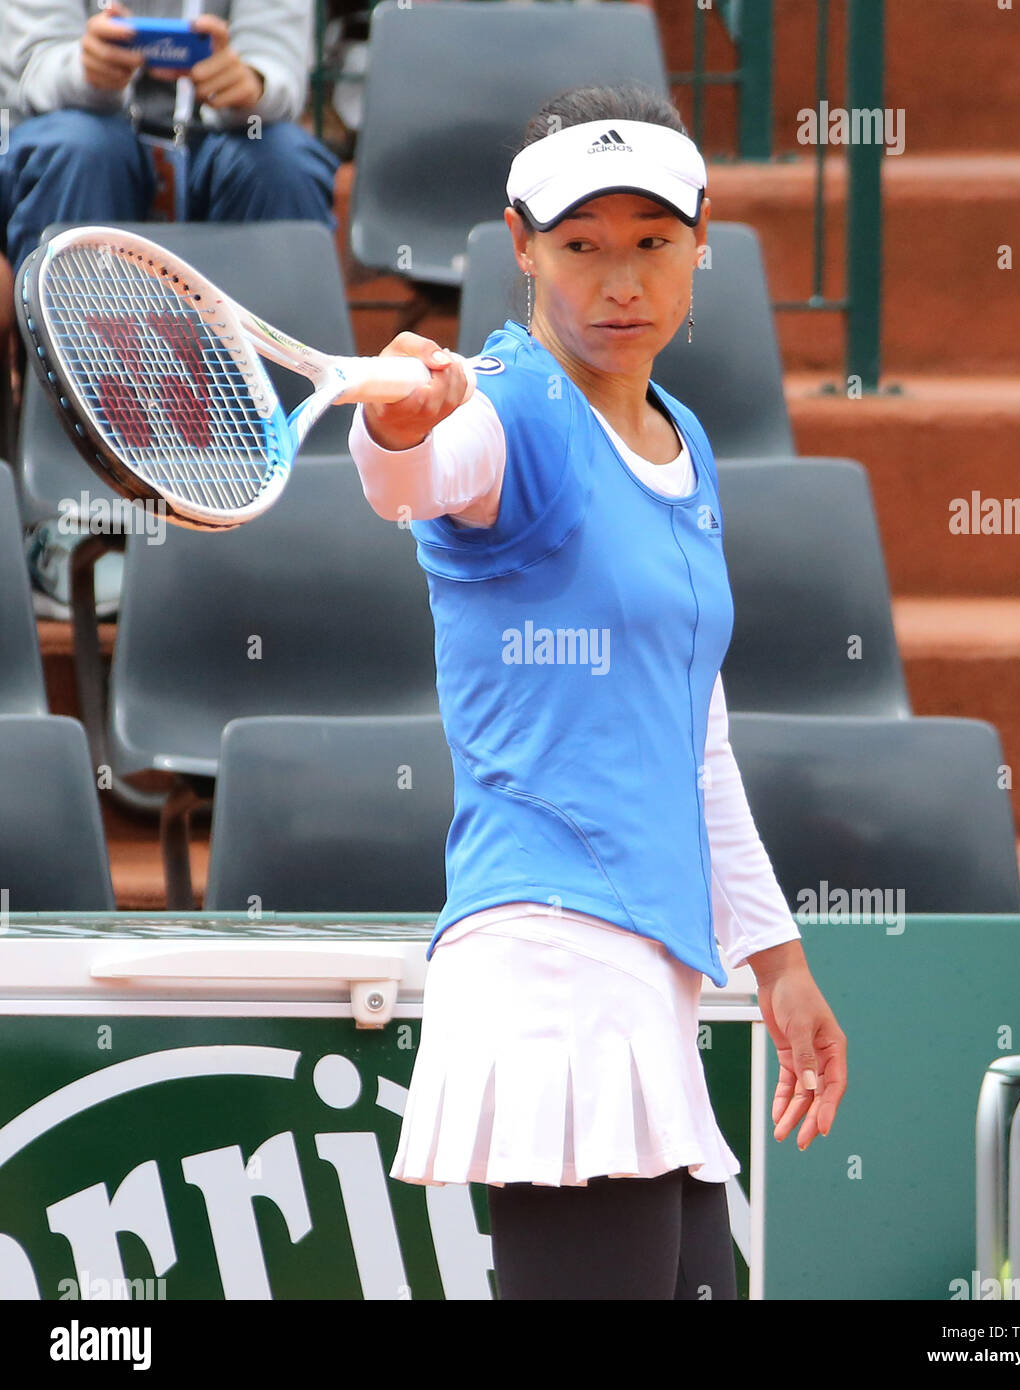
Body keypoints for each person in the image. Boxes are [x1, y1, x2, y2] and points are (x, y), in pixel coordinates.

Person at [344, 82, 848, 1301]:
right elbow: (417, 475)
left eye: (648, 245)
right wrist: (399, 431)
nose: (618, 284)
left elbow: (696, 736)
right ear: (520, 246)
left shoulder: (686, 444)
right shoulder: (507, 405)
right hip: (553, 967)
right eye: (578, 248)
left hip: (648, 977)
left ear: (698, 242)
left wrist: (775, 957)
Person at [0, 0, 338, 276]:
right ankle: (69, 354)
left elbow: (277, 66)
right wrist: (83, 72)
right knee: (79, 148)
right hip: (87, 130)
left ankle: (278, 357)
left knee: (281, 161)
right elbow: (31, 70)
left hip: (224, 135)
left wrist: (251, 85)